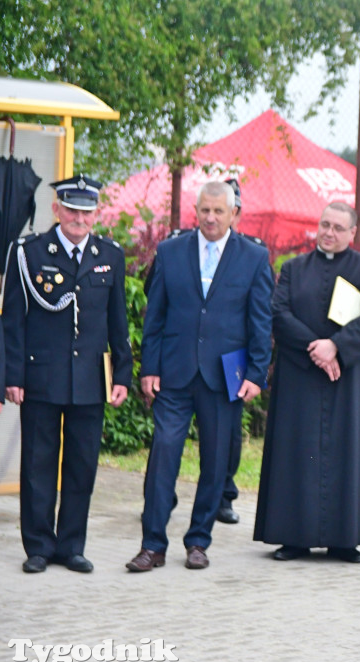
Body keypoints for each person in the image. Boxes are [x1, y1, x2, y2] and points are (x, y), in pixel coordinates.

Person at [126, 180, 273, 572]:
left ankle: (198, 542)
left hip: (226, 376)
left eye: (218, 211)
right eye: (204, 210)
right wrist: (150, 368)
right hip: (173, 374)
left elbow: (261, 322)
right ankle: (152, 545)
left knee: (215, 463)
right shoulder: (170, 252)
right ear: (196, 211)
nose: (210, 218)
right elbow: (154, 316)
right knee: (163, 456)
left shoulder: (254, 258)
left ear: (233, 214)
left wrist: (257, 374)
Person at [3, 175, 132, 573]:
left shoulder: (109, 253)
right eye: (71, 209)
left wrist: (123, 375)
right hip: (41, 375)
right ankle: (39, 547)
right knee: (39, 463)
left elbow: (117, 322)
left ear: (97, 213)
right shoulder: (28, 252)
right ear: (56, 209)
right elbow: (13, 321)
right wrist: (12, 375)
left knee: (82, 465)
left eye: (86, 210)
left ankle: (71, 545)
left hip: (90, 379)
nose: (79, 217)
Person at [253, 202, 360, 563]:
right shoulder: (294, 268)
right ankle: (292, 537)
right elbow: (278, 313)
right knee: (295, 452)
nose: (328, 232)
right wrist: (316, 348)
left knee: (348, 451)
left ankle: (346, 540)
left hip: (351, 377)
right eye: (324, 225)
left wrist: (337, 347)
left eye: (337, 227)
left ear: (352, 233)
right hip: (301, 372)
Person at [218, 177, 245, 523]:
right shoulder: (180, 247)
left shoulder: (250, 252)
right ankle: (159, 492)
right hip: (186, 354)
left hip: (231, 357)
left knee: (230, 432)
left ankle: (225, 495)